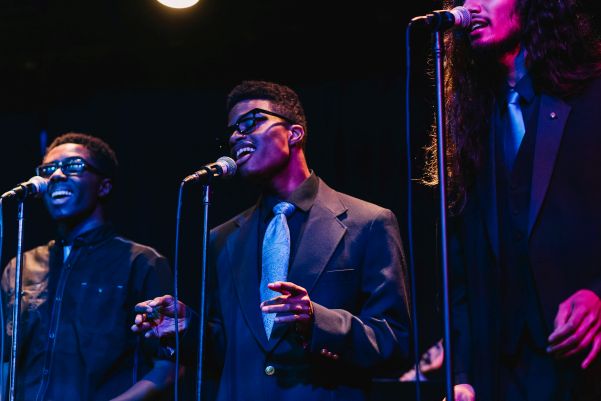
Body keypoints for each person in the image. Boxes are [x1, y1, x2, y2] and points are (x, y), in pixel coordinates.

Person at [132, 80, 410, 400]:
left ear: (294, 134)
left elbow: (394, 343)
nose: (238, 135)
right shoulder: (222, 238)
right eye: (233, 129)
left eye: (252, 121)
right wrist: (187, 328)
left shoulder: (368, 223)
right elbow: (228, 348)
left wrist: (318, 321)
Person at [424, 0, 601, 400]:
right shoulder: (468, 117)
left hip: (581, 356)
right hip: (502, 367)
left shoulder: (591, 94)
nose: (470, 7)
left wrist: (598, 293)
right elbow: (460, 263)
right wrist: (460, 370)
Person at [2, 133, 175, 400]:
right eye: (47, 170)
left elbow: (168, 367)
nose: (57, 175)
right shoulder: (20, 266)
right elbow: (6, 362)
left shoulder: (141, 262)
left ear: (103, 186)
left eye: (73, 166)